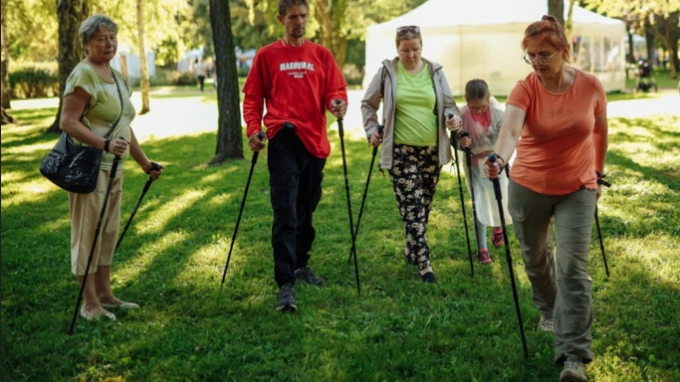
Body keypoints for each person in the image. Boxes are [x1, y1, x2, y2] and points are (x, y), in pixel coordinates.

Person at [484, 16, 608, 382]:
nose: (538, 62)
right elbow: (509, 130)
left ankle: (573, 357)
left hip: (578, 187)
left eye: (545, 54)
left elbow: (601, 132)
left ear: (564, 51)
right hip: (529, 185)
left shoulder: (590, 86)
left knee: (572, 268)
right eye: (531, 55)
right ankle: (548, 307)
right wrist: (499, 157)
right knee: (536, 260)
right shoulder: (525, 89)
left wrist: (598, 174)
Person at [242, 0, 347, 312]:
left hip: (315, 143)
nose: (299, 22)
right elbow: (252, 98)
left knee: (306, 208)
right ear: (280, 19)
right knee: (285, 212)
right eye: (292, 17)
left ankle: (301, 264)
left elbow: (335, 91)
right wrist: (252, 130)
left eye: (303, 16)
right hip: (283, 138)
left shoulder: (321, 55)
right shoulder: (267, 55)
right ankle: (285, 282)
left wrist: (338, 103)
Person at [60, 14, 163, 321]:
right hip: (89, 167)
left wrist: (144, 163)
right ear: (87, 43)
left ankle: (105, 295)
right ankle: (89, 303)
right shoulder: (83, 75)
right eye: (101, 39)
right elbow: (67, 121)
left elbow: (123, 126)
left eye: (112, 37)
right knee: (87, 233)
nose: (109, 43)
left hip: (114, 167)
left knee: (107, 232)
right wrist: (102, 144)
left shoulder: (114, 75)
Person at [361, 25, 462, 284]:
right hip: (401, 150)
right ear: (397, 49)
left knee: (423, 206)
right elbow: (368, 104)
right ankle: (424, 262)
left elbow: (450, 105)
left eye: (415, 49)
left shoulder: (435, 71)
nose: (411, 55)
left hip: (432, 150)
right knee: (413, 205)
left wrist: (453, 119)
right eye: (405, 50)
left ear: (422, 47)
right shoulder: (387, 72)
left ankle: (411, 246)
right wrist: (372, 128)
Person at [458, 79, 511, 264]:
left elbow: (506, 137)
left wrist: (500, 157)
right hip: (474, 164)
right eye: (474, 107)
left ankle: (497, 228)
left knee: (498, 199)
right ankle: (482, 248)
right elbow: (454, 138)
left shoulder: (498, 114)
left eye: (482, 107)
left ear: (489, 99)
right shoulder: (462, 115)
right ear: (466, 100)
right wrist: (460, 142)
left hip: (495, 164)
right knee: (479, 203)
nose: (479, 111)